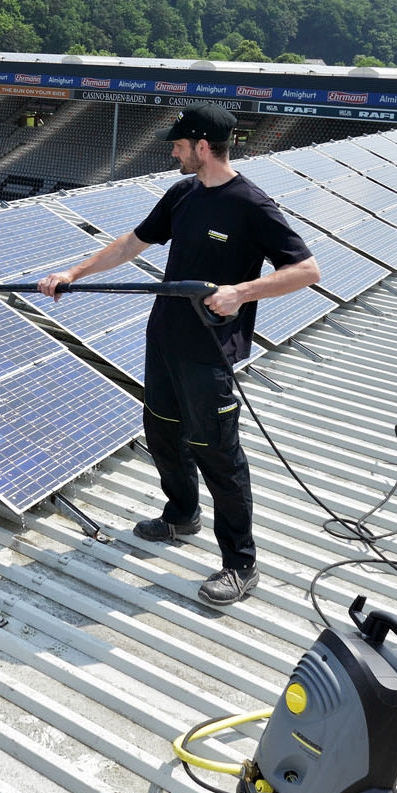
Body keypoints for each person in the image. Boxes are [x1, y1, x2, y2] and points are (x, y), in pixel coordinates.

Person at [39, 103, 321, 606]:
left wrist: (241, 291)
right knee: (162, 432)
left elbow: (306, 271)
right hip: (165, 338)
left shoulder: (250, 205)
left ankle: (240, 563)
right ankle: (181, 515)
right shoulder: (183, 193)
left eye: (178, 145)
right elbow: (133, 243)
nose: (172, 152)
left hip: (207, 353)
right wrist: (73, 273)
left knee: (217, 451)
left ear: (203, 147)